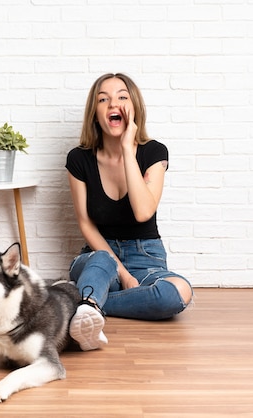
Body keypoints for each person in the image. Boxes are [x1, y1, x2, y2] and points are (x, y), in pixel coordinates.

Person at [66, 73, 193, 351]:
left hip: (146, 258)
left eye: (122, 97)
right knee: (99, 261)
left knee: (179, 293)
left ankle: (84, 303)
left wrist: (126, 148)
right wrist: (121, 274)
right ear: (95, 113)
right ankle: (91, 300)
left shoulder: (154, 153)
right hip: (98, 259)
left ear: (133, 107)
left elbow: (143, 212)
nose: (114, 103)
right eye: (103, 99)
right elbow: (86, 225)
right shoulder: (79, 159)